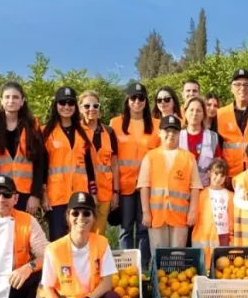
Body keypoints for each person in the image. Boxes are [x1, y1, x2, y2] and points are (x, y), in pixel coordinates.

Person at [35, 192, 123, 298]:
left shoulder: (101, 243)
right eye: (75, 213)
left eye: (86, 213)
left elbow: (107, 282)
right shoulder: (54, 249)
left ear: (94, 217)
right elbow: (48, 289)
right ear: (68, 217)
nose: (81, 217)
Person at [110, 83, 159, 268]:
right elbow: (112, 158)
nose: (137, 102)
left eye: (141, 98)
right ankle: (126, 268)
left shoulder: (156, 125)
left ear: (146, 101)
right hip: (125, 186)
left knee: (144, 229)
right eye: (133, 98)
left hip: (147, 186)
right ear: (127, 100)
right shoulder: (116, 123)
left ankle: (143, 268)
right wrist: (114, 189)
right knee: (126, 229)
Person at [139, 114, 202, 249]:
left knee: (177, 254)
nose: (171, 134)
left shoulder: (189, 158)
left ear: (179, 134)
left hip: (180, 217)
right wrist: (146, 212)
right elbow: (144, 186)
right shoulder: (150, 157)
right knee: (158, 253)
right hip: (157, 217)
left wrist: (192, 212)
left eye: (175, 131)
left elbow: (195, 187)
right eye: (167, 130)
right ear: (159, 133)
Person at [0, 81, 47, 215]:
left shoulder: (32, 125)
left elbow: (39, 162)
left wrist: (35, 195)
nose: (11, 101)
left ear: (22, 101)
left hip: (25, 192)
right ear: (1, 100)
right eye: (7, 97)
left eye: (16, 97)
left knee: (23, 227)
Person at [42, 86, 93, 241]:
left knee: (79, 239)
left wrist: (93, 193)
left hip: (80, 195)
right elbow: (41, 167)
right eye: (62, 102)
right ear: (56, 105)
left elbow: (89, 166)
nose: (66, 106)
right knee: (58, 240)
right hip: (56, 196)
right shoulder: (46, 132)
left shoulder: (83, 132)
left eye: (70, 103)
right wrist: (43, 194)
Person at [79, 90, 119, 235]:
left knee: (98, 233)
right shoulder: (76, 131)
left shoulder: (109, 132)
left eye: (95, 106)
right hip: (82, 190)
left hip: (105, 191)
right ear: (80, 108)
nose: (91, 109)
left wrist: (116, 192)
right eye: (87, 106)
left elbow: (114, 164)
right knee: (80, 231)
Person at [191, 159, 234, 268]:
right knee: (203, 267)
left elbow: (232, 218)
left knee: (222, 267)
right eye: (216, 174)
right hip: (203, 236)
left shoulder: (230, 195)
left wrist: (232, 237)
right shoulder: (200, 194)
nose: (218, 178)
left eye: (222, 175)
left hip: (223, 235)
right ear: (209, 173)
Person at [182, 96, 222, 187]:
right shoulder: (177, 136)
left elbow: (218, 164)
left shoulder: (212, 137)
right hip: (182, 187)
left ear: (204, 114)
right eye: (191, 110)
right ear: (185, 112)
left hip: (205, 186)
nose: (194, 113)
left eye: (198, 111)